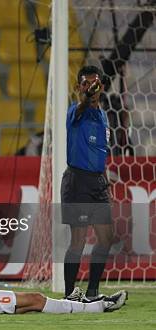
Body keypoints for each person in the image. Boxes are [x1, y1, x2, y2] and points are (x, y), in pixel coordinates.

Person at [61, 66, 122, 302]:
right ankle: (69, 295)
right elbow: (81, 107)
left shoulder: (103, 115)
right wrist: (87, 97)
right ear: (79, 88)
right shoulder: (75, 112)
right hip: (77, 181)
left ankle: (93, 291)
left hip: (97, 183)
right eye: (85, 84)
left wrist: (104, 180)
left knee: (106, 238)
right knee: (78, 240)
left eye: (95, 83)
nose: (91, 88)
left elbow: (99, 151)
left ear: (102, 87)